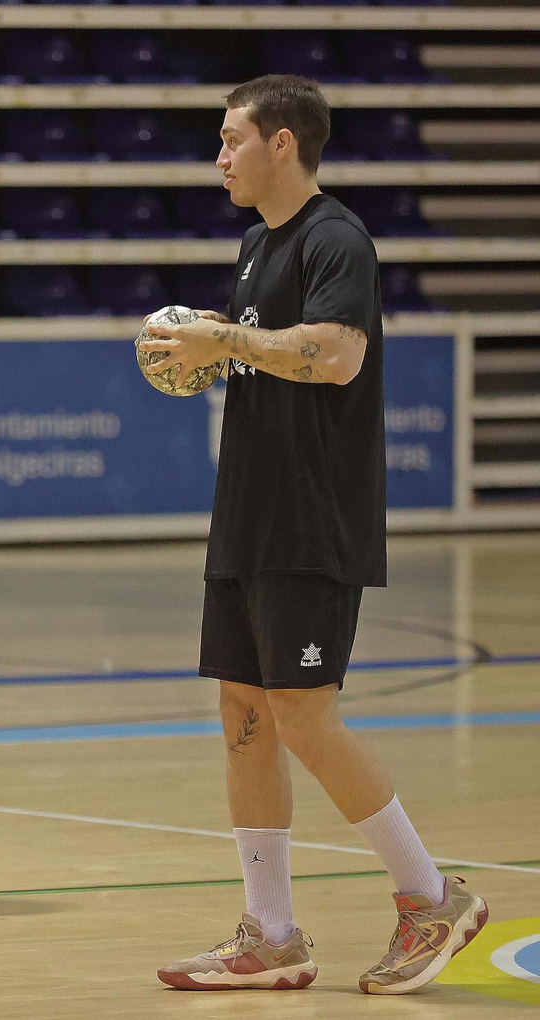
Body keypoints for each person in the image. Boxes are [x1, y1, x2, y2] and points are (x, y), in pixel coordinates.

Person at [140, 74, 487, 994]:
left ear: (282, 143)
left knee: (302, 712)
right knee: (244, 713)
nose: (220, 157)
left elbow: (334, 355)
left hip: (311, 516)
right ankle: (272, 934)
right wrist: (219, 334)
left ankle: (432, 896)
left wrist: (226, 344)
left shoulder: (337, 239)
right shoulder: (257, 244)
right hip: (249, 511)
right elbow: (274, 348)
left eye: (232, 140)